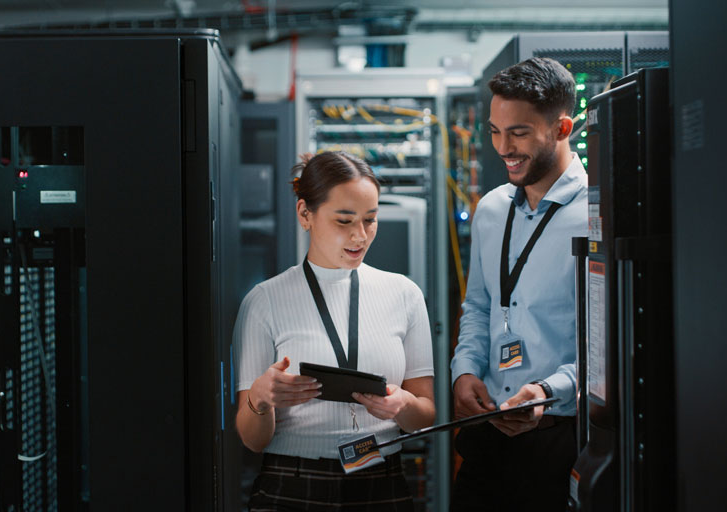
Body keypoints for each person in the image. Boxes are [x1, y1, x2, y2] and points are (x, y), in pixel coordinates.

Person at [233, 150, 435, 511]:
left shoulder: (404, 295)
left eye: (370, 220)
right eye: (344, 221)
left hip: (381, 480)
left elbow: (425, 413)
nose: (360, 236)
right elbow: (252, 440)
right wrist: (261, 398)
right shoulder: (265, 301)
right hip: (294, 485)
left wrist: (403, 406)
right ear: (304, 214)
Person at [450, 57, 587, 511]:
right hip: (488, 433)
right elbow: (479, 307)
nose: (502, 147)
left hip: (558, 436)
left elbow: (607, 348)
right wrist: (465, 370)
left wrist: (550, 391)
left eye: (519, 133)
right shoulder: (492, 209)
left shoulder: (597, 213)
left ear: (562, 128)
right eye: (494, 130)